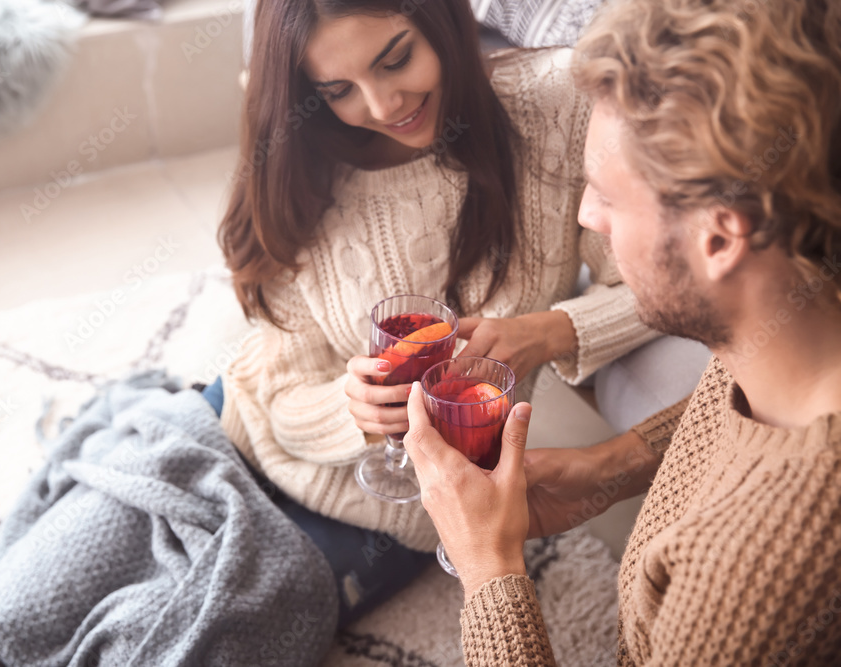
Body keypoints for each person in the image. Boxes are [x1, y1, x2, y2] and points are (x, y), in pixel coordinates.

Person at [214, 0, 693, 627]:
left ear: (442, 21)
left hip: (392, 519)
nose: (384, 105)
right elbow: (278, 399)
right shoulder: (299, 168)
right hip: (237, 439)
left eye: (396, 59)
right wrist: (351, 407)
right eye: (338, 89)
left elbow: (667, 286)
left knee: (217, 629)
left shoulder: (556, 104)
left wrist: (546, 333)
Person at [403, 0, 841, 663]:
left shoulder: (750, 578)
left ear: (718, 237)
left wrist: (489, 570)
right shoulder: (791, 323)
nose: (586, 215)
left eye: (606, 196)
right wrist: (611, 467)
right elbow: (727, 418)